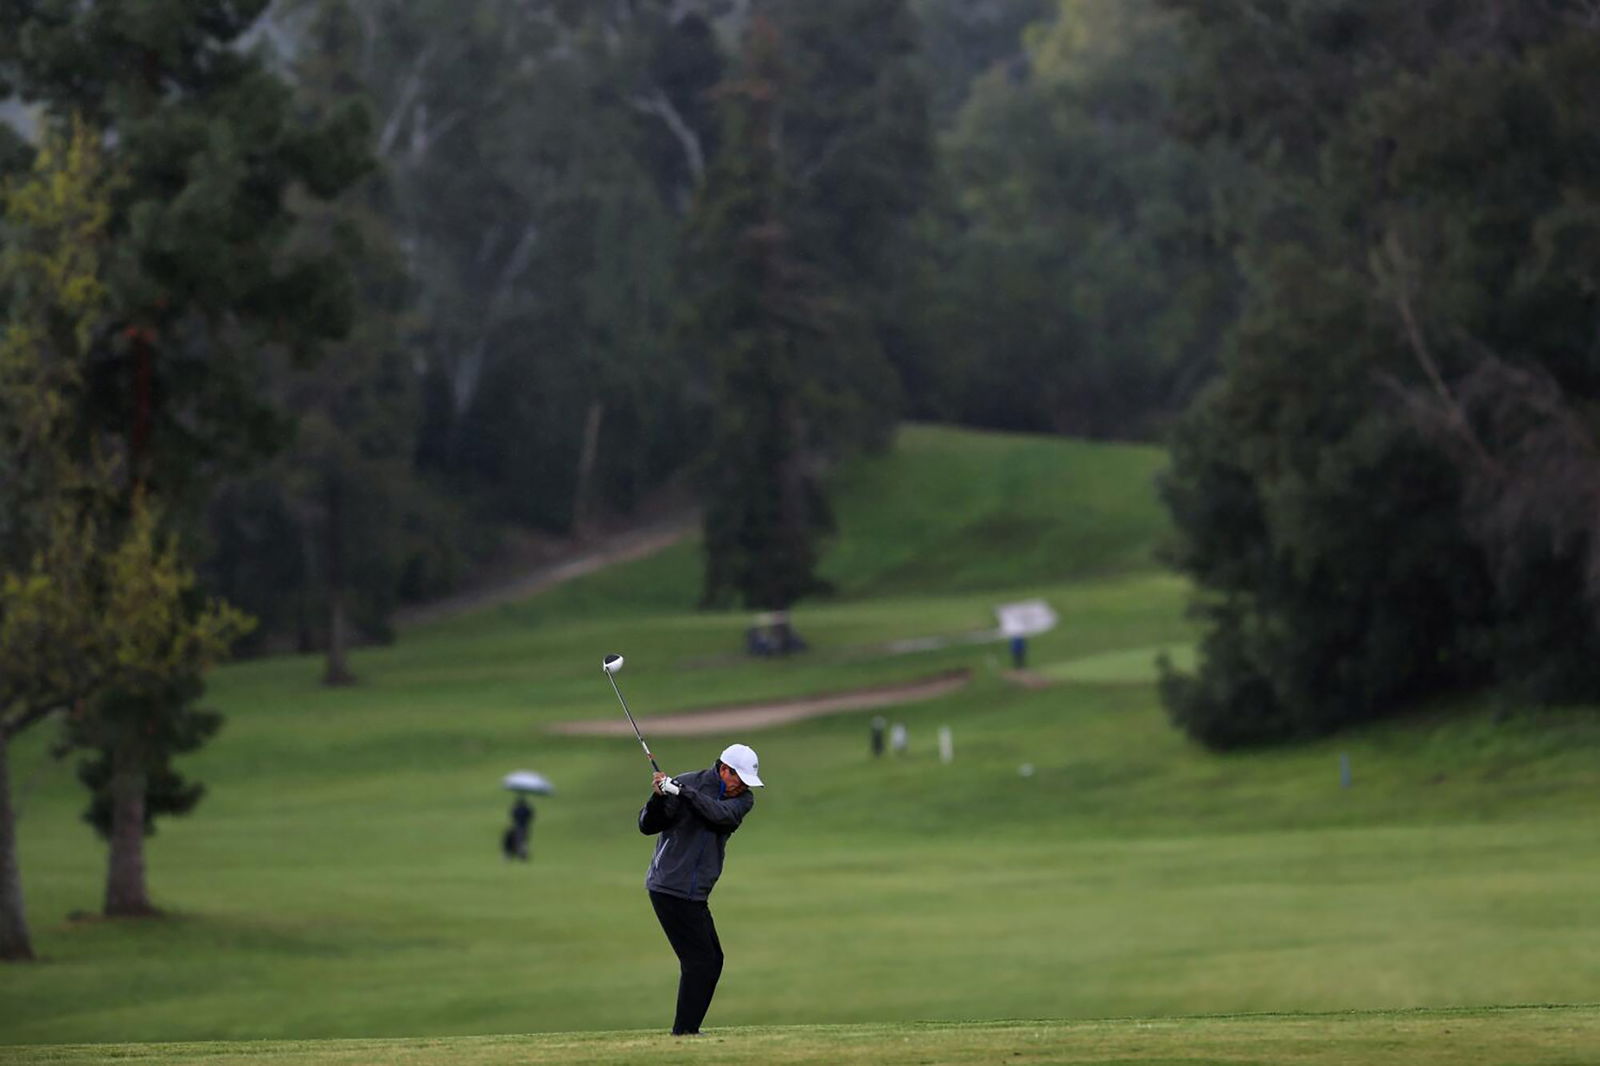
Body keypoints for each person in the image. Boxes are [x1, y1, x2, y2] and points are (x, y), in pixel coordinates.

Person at [637, 743, 764, 1036]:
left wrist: (681, 791)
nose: (743, 787)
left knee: (712, 960)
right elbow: (648, 825)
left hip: (695, 892)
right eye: (740, 779)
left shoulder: (742, 800)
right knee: (700, 961)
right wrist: (658, 797)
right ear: (724, 770)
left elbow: (719, 815)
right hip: (669, 886)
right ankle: (685, 1032)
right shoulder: (688, 781)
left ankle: (686, 1030)